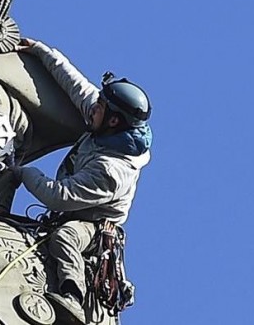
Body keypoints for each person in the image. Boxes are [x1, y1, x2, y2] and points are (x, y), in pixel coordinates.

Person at [13, 38, 153, 323]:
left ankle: (72, 296)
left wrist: (20, 171)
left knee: (65, 238)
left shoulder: (111, 170)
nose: (93, 107)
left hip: (94, 226)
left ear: (114, 120)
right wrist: (41, 51)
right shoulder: (105, 121)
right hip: (74, 211)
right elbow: (74, 84)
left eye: (100, 106)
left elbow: (59, 196)